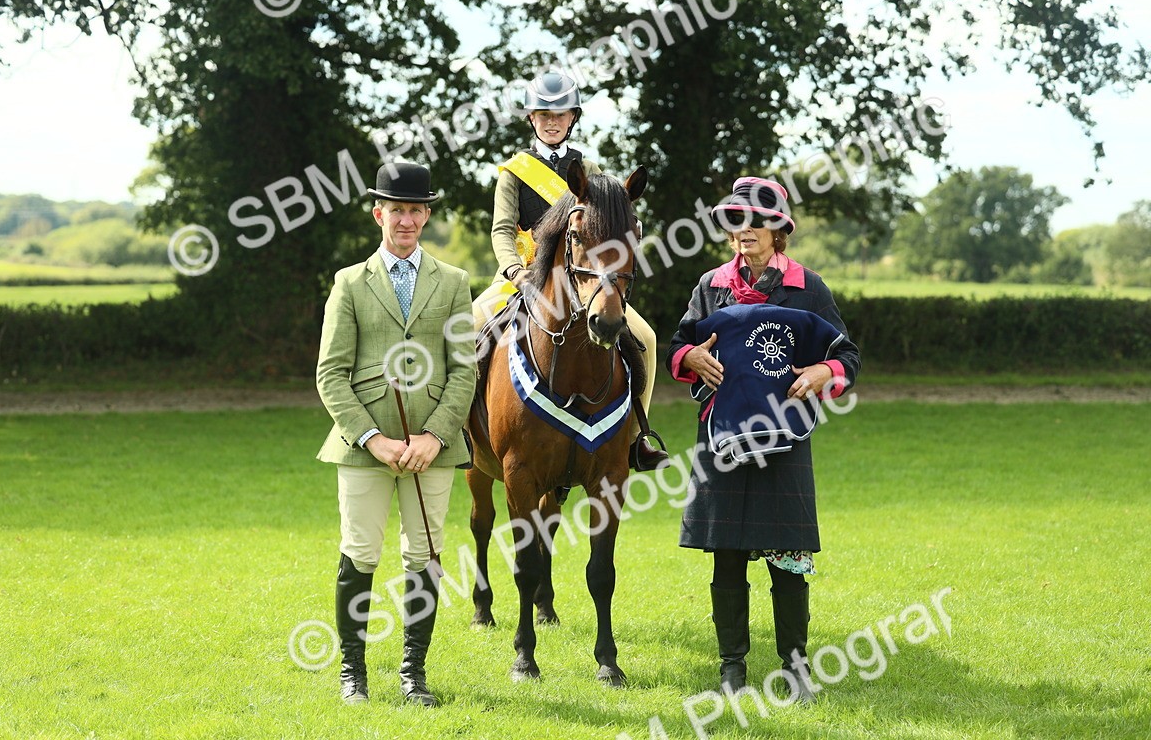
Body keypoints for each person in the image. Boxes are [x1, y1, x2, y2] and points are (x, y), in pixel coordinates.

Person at [666, 176, 861, 703]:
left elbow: (847, 356)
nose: (744, 230)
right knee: (726, 558)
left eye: (756, 221)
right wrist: (691, 359)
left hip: (785, 439)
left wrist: (824, 373)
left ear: (779, 230)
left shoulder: (808, 287)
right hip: (722, 438)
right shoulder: (710, 285)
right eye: (736, 221)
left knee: (788, 561)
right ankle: (732, 668)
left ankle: (796, 669)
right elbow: (678, 346)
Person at [316, 162, 475, 707]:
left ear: (426, 215)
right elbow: (330, 373)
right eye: (395, 210)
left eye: (415, 210)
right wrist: (371, 439)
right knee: (360, 552)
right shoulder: (349, 283)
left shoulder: (453, 282)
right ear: (378, 213)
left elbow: (464, 369)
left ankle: (413, 673)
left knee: (424, 557)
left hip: (432, 447)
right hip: (366, 447)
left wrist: (434, 434)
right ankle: (352, 672)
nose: (405, 220)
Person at [474, 69, 668, 471]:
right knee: (470, 326)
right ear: (531, 118)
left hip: (583, 279)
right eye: (543, 113)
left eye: (560, 114)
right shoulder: (513, 171)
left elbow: (605, 224)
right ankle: (462, 433)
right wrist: (513, 270)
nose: (551, 120)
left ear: (573, 118)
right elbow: (502, 229)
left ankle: (637, 437)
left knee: (644, 337)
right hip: (523, 276)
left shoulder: (590, 167)